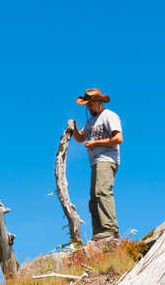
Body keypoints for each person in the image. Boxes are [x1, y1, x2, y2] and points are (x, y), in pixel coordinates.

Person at [68, 88, 123, 242]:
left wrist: (96, 143)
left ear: (99, 102)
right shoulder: (90, 120)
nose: (88, 108)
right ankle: (99, 232)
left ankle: (110, 230)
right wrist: (74, 128)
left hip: (107, 159)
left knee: (102, 192)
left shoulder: (109, 116)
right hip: (95, 162)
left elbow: (118, 138)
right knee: (94, 196)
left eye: (90, 104)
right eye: (87, 105)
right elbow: (80, 138)